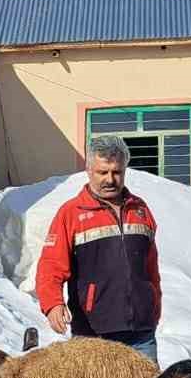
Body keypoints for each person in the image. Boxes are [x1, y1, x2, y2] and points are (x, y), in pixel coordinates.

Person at [34, 135, 162, 365]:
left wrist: (154, 305)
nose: (110, 179)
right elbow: (51, 265)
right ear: (89, 171)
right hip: (93, 334)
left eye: (117, 172)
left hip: (141, 334)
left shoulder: (140, 210)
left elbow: (151, 269)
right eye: (103, 172)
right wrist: (52, 304)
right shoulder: (71, 213)